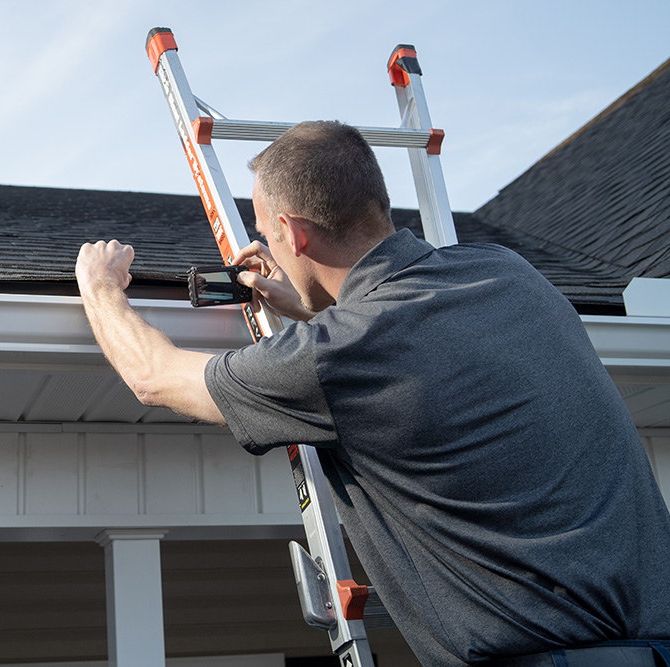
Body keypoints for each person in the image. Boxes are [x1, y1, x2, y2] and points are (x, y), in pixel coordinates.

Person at [75, 120, 670, 666]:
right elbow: (418, 352)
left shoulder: (338, 355)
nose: (268, 245)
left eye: (265, 232)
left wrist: (100, 289)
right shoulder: (509, 274)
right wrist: (314, 309)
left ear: (292, 233)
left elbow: (154, 376)